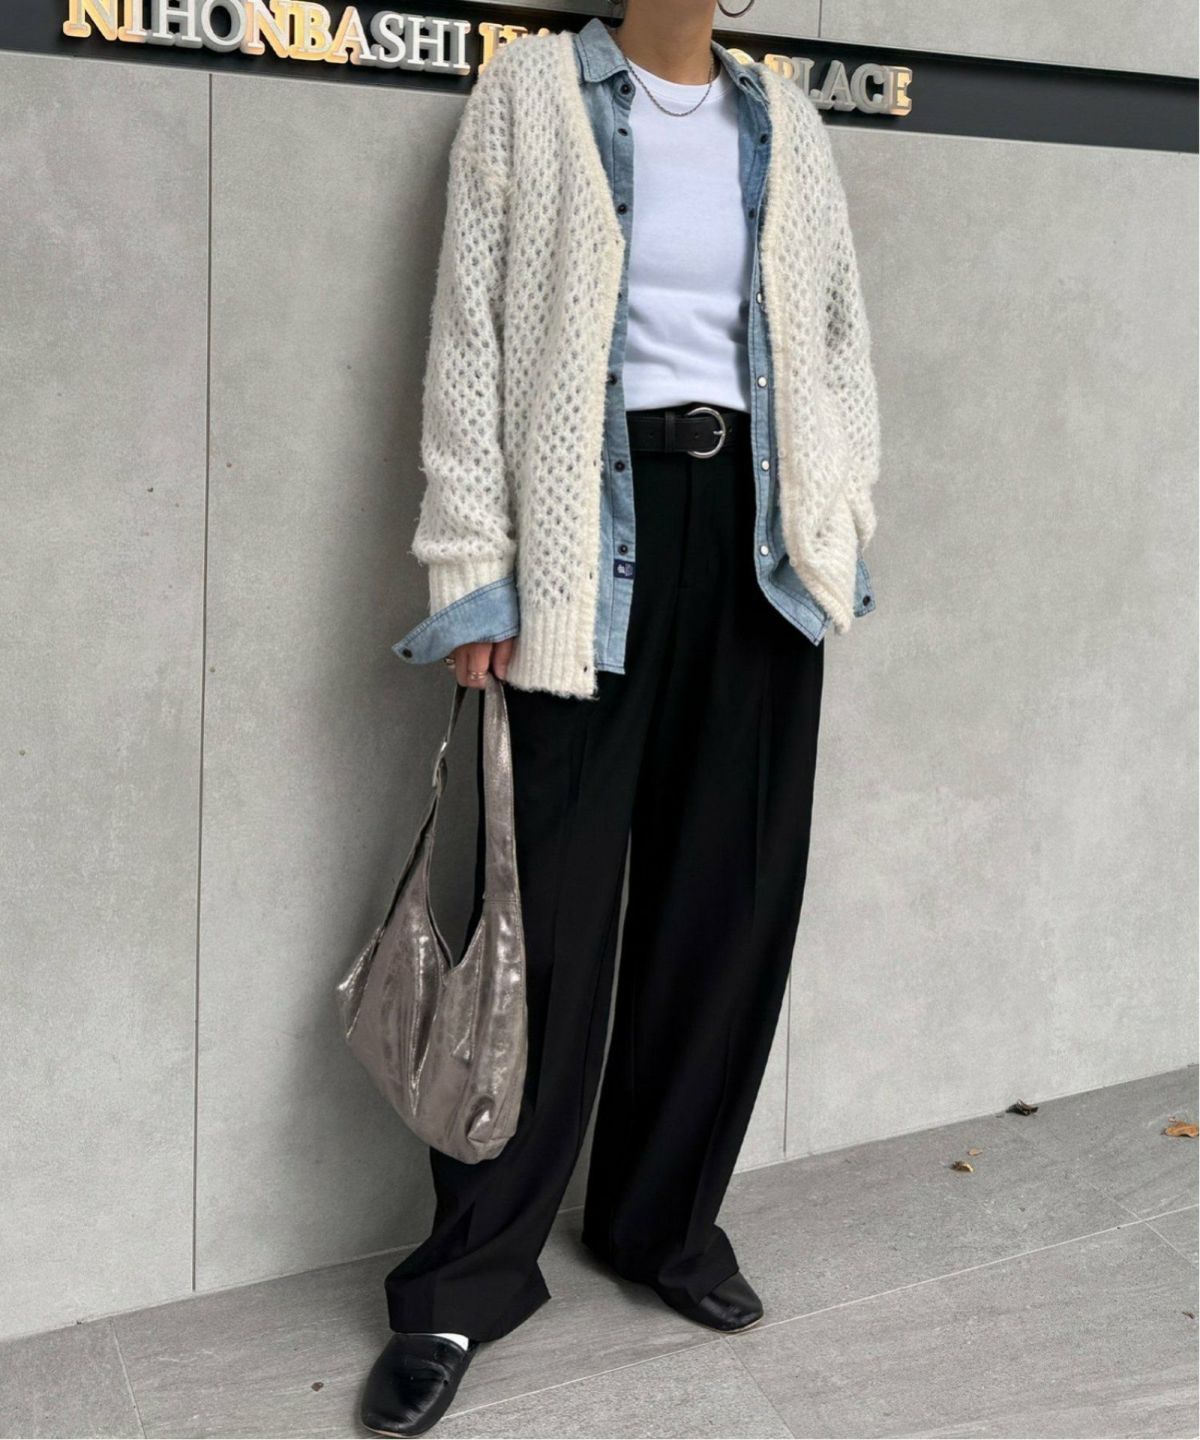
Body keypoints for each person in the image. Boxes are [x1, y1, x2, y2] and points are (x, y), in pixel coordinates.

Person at [362, 1, 881, 1433]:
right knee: (546, 925)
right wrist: (474, 572)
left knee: (729, 905)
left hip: (760, 551)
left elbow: (838, 344)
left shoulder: (788, 122)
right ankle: (466, 1279)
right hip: (591, 543)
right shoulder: (530, 96)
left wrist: (839, 522)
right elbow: (468, 337)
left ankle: (662, 1225)